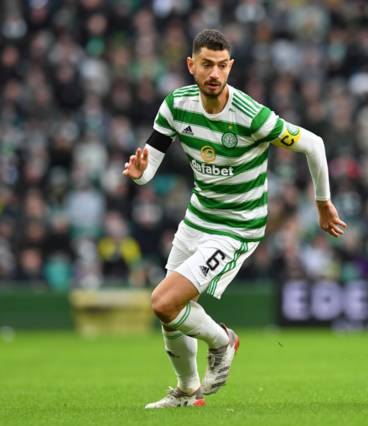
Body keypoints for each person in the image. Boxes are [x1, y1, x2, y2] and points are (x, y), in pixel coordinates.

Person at [123, 29, 347, 409]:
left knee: (163, 302)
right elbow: (149, 168)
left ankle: (224, 341)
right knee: (170, 313)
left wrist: (322, 202)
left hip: (237, 226)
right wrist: (139, 173)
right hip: (197, 218)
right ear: (191, 65)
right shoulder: (176, 106)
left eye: (222, 65)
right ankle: (188, 392)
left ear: (231, 67)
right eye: (206, 64)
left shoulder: (251, 116)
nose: (214, 73)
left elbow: (314, 144)